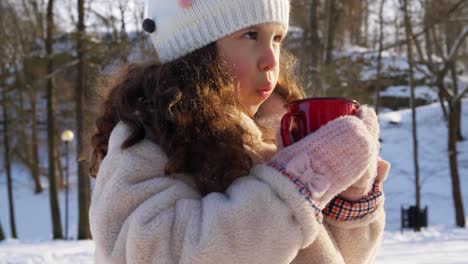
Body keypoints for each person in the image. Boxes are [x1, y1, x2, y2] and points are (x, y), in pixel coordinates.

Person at [89, 0, 391, 263]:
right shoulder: (146, 141)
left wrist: (350, 192)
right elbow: (157, 253)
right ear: (195, 51)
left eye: (277, 38)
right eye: (250, 35)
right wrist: (301, 179)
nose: (272, 60)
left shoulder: (270, 137)